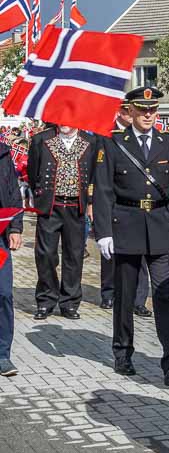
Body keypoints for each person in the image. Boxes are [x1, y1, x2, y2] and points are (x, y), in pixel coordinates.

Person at [93, 87, 169, 385]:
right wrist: (104, 232)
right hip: (126, 225)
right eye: (142, 109)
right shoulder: (112, 143)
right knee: (125, 297)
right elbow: (103, 190)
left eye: (152, 110)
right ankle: (122, 352)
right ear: (130, 111)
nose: (148, 114)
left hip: (161, 227)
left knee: (164, 295)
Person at [27, 124, 96, 320]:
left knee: (74, 256)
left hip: (76, 206)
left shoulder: (90, 141)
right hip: (51, 205)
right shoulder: (42, 140)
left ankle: (70, 302)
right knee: (45, 254)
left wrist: (90, 202)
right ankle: (46, 299)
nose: (65, 121)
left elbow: (93, 175)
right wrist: (40, 197)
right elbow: (33, 173)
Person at [97, 99, 152, 317]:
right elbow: (99, 173)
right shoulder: (108, 136)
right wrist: (94, 202)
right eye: (125, 110)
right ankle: (109, 292)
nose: (129, 114)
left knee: (141, 257)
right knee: (110, 253)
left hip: (140, 208)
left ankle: (139, 299)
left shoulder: (145, 138)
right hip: (115, 205)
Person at [0, 139, 23, 377]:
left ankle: (2, 354)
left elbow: (13, 192)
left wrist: (15, 227)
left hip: (0, 233)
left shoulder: (3, 153)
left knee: (3, 292)